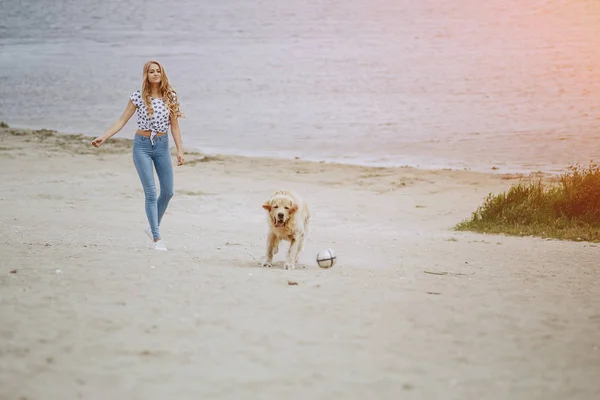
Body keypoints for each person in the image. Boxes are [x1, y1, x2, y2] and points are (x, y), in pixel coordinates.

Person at [92, 60, 185, 251]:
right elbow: (122, 120)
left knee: (168, 192)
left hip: (162, 146)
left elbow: (175, 126)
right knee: (151, 192)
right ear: (146, 75)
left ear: (162, 73)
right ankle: (156, 239)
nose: (155, 74)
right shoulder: (138, 97)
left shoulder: (171, 96)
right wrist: (104, 136)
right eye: (151, 71)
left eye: (158, 71)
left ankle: (151, 226)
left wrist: (180, 151)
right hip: (142, 147)